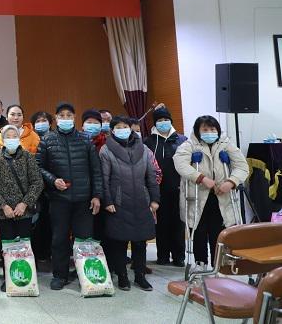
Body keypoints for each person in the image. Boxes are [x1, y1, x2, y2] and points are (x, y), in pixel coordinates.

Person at [35, 102, 103, 290]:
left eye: (69, 115)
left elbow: (96, 170)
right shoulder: (47, 140)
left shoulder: (85, 139)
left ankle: (87, 275)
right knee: (59, 239)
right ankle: (60, 275)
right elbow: (38, 167)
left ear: (74, 118)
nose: (65, 118)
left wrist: (97, 195)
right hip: (59, 199)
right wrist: (53, 180)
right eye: (61, 115)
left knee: (84, 240)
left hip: (84, 200)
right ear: (55, 119)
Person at [174, 115, 249, 268]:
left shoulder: (226, 144)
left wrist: (231, 181)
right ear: (198, 131)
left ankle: (218, 264)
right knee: (199, 231)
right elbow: (180, 164)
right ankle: (200, 263)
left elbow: (242, 166)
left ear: (218, 130)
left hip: (221, 196)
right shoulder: (189, 145)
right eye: (205, 129)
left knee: (219, 232)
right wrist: (201, 178)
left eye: (212, 129)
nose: (209, 132)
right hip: (197, 196)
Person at [99, 116, 160, 291]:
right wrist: (108, 201)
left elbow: (151, 176)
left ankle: (140, 276)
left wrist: (155, 199)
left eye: (125, 126)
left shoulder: (144, 149)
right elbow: (104, 179)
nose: (122, 129)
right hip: (118, 202)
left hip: (142, 201)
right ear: (112, 130)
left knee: (140, 242)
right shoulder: (106, 150)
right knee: (119, 241)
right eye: (118, 127)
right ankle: (122, 277)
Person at [0, 125, 44, 291]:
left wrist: (24, 203)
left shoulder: (27, 157)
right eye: (8, 136)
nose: (11, 139)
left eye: (14, 136)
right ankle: (9, 278)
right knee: (8, 246)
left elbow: (37, 182)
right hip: (2, 213)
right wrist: (3, 206)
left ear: (18, 138)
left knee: (24, 246)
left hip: (23, 211)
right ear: (3, 140)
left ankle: (27, 276)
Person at [144, 106, 187, 267]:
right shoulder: (148, 142)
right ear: (155, 123)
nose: (163, 123)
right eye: (160, 120)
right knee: (161, 224)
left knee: (178, 223)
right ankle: (162, 255)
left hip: (178, 189)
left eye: (166, 120)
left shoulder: (182, 140)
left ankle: (179, 256)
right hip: (158, 190)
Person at [30, 110, 54, 263]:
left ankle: (49, 253)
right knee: (36, 223)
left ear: (50, 122)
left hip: (53, 187)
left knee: (51, 222)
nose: (41, 123)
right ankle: (38, 254)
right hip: (35, 188)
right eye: (37, 121)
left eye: (44, 120)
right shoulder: (31, 138)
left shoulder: (55, 137)